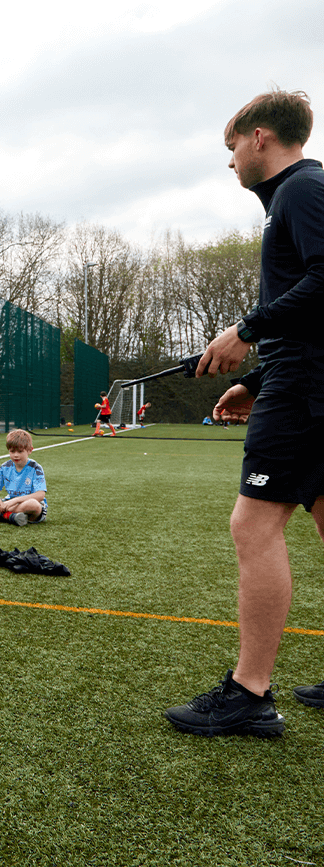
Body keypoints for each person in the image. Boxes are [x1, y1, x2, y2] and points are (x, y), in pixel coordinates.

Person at [165, 88, 324, 737]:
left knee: (253, 528)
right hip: (302, 381)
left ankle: (250, 692)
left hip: (307, 391)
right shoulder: (298, 196)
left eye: (231, 146)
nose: (229, 161)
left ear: (260, 137)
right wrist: (257, 379)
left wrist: (247, 331)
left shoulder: (301, 191)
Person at [0, 429, 47, 527]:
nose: (16, 455)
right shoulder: (5, 467)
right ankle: (11, 517)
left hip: (26, 506)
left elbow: (40, 495)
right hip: (9, 503)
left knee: (33, 504)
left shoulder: (35, 468)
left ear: (30, 450)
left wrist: (15, 501)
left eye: (20, 451)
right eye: (12, 451)